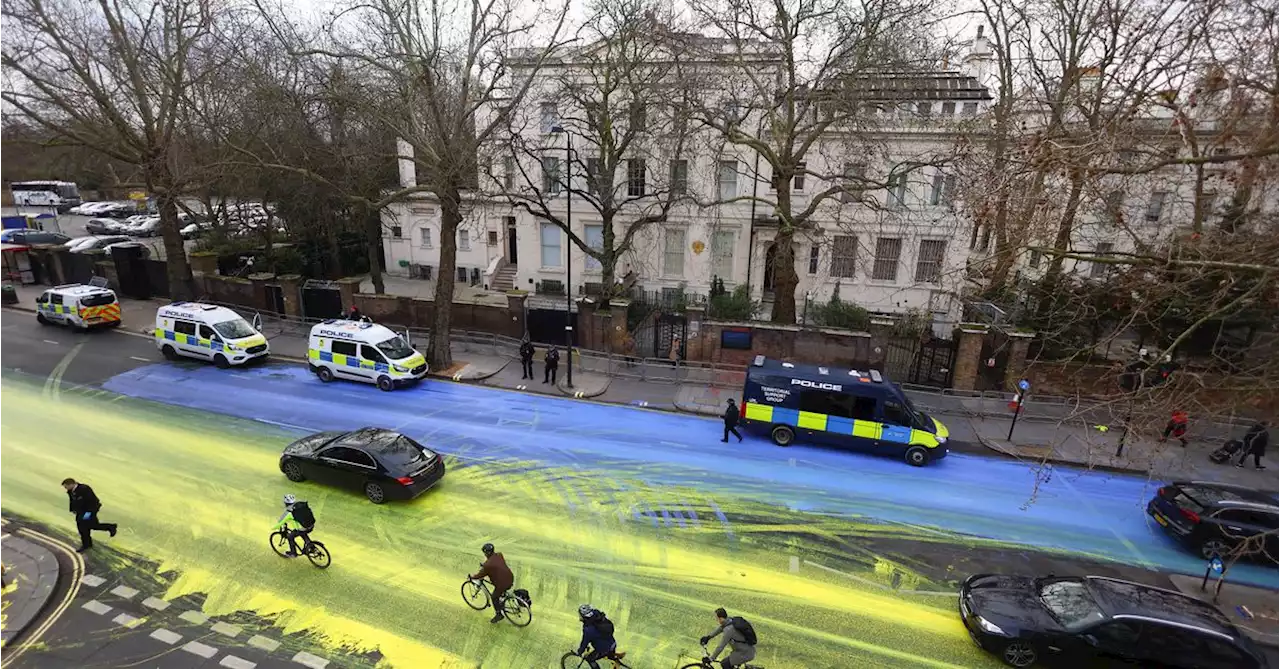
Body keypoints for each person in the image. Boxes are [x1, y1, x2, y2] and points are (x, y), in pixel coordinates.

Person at [62, 478, 117, 553]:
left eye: (66, 486)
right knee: (89, 525)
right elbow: (72, 500)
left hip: (89, 510)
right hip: (81, 511)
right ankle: (110, 527)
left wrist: (88, 513)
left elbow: (92, 501)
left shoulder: (84, 489)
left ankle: (87, 544)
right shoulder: (71, 491)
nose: (65, 488)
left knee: (84, 525)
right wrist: (73, 509)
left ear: (71, 484)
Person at [470, 543, 515, 623]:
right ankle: (502, 600)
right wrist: (484, 565)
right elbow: (495, 563)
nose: (484, 554)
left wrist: (472, 577)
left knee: (494, 597)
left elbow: (480, 575)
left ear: (487, 553)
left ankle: (499, 615)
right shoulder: (499, 555)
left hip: (502, 584)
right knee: (500, 592)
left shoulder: (488, 566)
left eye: (485, 552)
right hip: (510, 578)